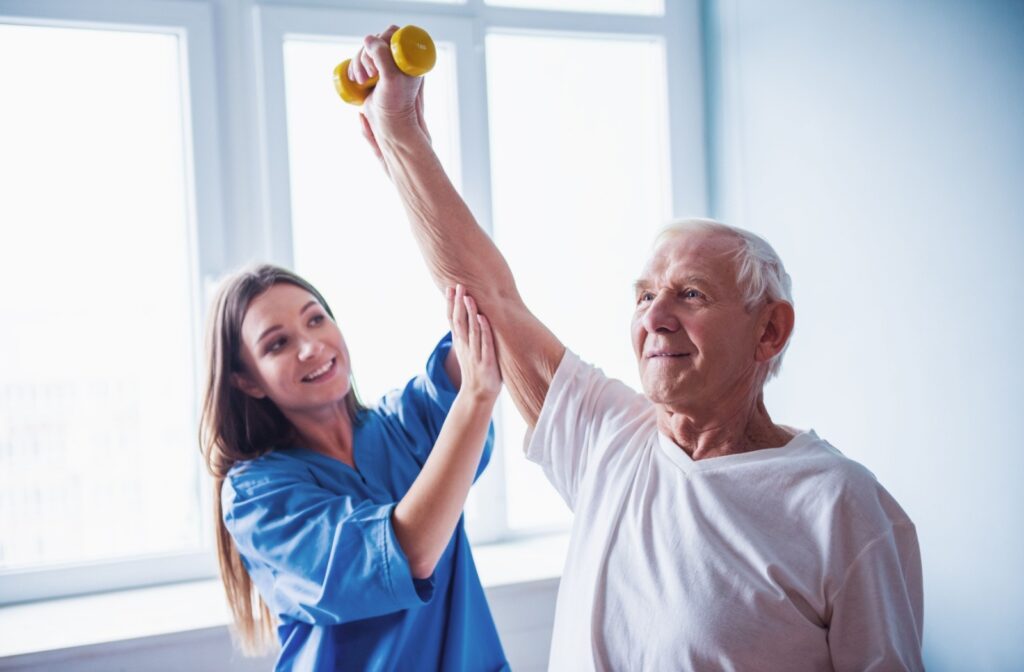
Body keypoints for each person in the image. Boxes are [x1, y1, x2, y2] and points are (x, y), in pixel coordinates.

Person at [349, 26, 924, 671]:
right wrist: (402, 133)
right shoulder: (609, 436)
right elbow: (489, 296)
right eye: (644, 294)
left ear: (770, 330)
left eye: (692, 295)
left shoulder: (842, 506)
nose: (655, 316)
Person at [199, 264, 509, 671]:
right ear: (247, 382)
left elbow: (488, 319)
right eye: (277, 344)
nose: (310, 347)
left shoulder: (406, 421)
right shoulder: (256, 497)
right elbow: (409, 553)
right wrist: (476, 397)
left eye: (315, 319)